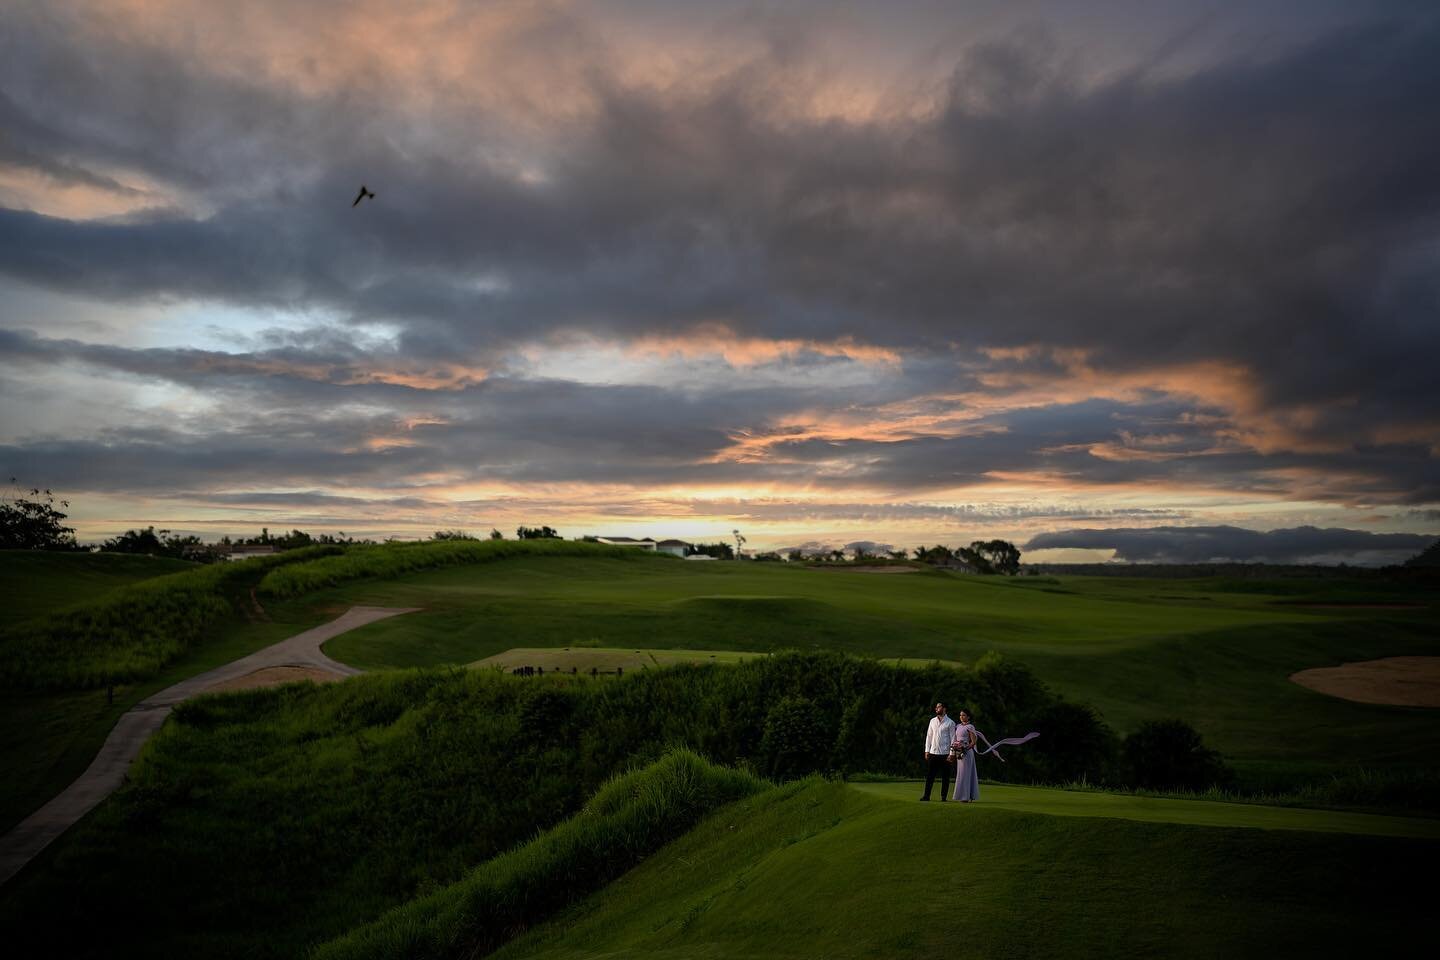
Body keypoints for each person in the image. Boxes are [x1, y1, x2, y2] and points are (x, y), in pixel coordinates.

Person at [920, 701, 956, 801]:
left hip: (945, 754)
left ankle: (943, 797)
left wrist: (951, 754)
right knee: (930, 776)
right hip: (933, 753)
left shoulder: (950, 723)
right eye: (936, 707)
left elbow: (953, 739)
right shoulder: (932, 721)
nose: (936, 709)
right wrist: (927, 750)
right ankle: (926, 796)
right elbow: (929, 736)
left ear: (944, 708)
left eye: (938, 707)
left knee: (945, 777)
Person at [950, 709, 979, 802]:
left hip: (967, 753)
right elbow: (955, 739)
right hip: (959, 752)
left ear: (968, 717)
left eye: (963, 715)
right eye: (960, 715)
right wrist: (956, 748)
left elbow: (973, 742)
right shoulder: (958, 726)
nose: (961, 717)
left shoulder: (970, 727)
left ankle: (965, 797)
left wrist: (965, 748)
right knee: (960, 773)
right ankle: (961, 795)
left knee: (965, 774)